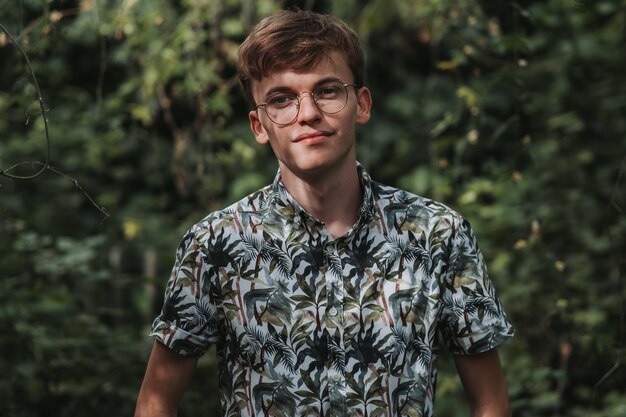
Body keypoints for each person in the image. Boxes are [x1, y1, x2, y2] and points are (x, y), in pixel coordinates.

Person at [134, 8, 514, 417]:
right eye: (281, 99)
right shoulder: (218, 244)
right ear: (259, 125)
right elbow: (156, 402)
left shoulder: (438, 234)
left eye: (328, 90)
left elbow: (490, 402)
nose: (308, 112)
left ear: (361, 104)